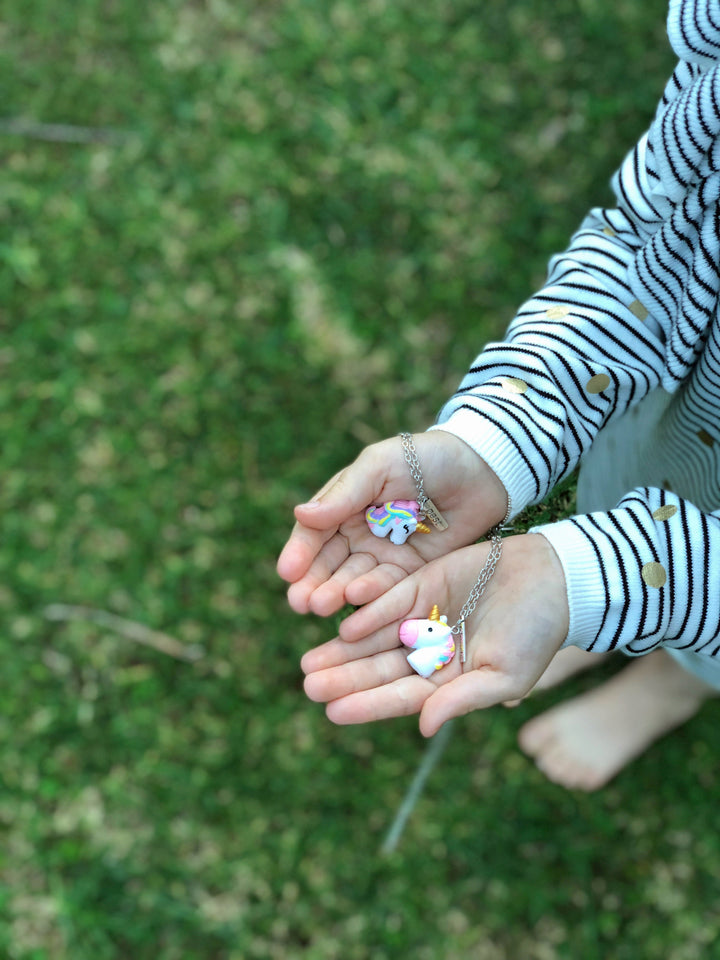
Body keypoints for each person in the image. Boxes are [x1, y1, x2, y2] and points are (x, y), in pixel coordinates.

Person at [277, 0, 720, 791]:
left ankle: (676, 678)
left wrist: (616, 578)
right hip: (678, 424)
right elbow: (646, 240)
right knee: (624, 496)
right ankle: (594, 606)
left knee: (699, 636)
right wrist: (500, 438)